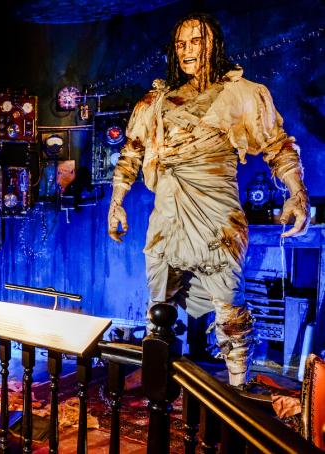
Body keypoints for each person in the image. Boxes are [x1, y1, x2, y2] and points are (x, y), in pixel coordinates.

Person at [107, 13, 310, 387]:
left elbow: (277, 145)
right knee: (159, 305)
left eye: (195, 41)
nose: (186, 50)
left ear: (213, 44)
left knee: (229, 306)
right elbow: (131, 152)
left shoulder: (242, 94)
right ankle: (158, 387)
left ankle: (237, 390)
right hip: (167, 216)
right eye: (180, 44)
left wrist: (297, 192)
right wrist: (116, 201)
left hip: (216, 217)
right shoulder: (156, 102)